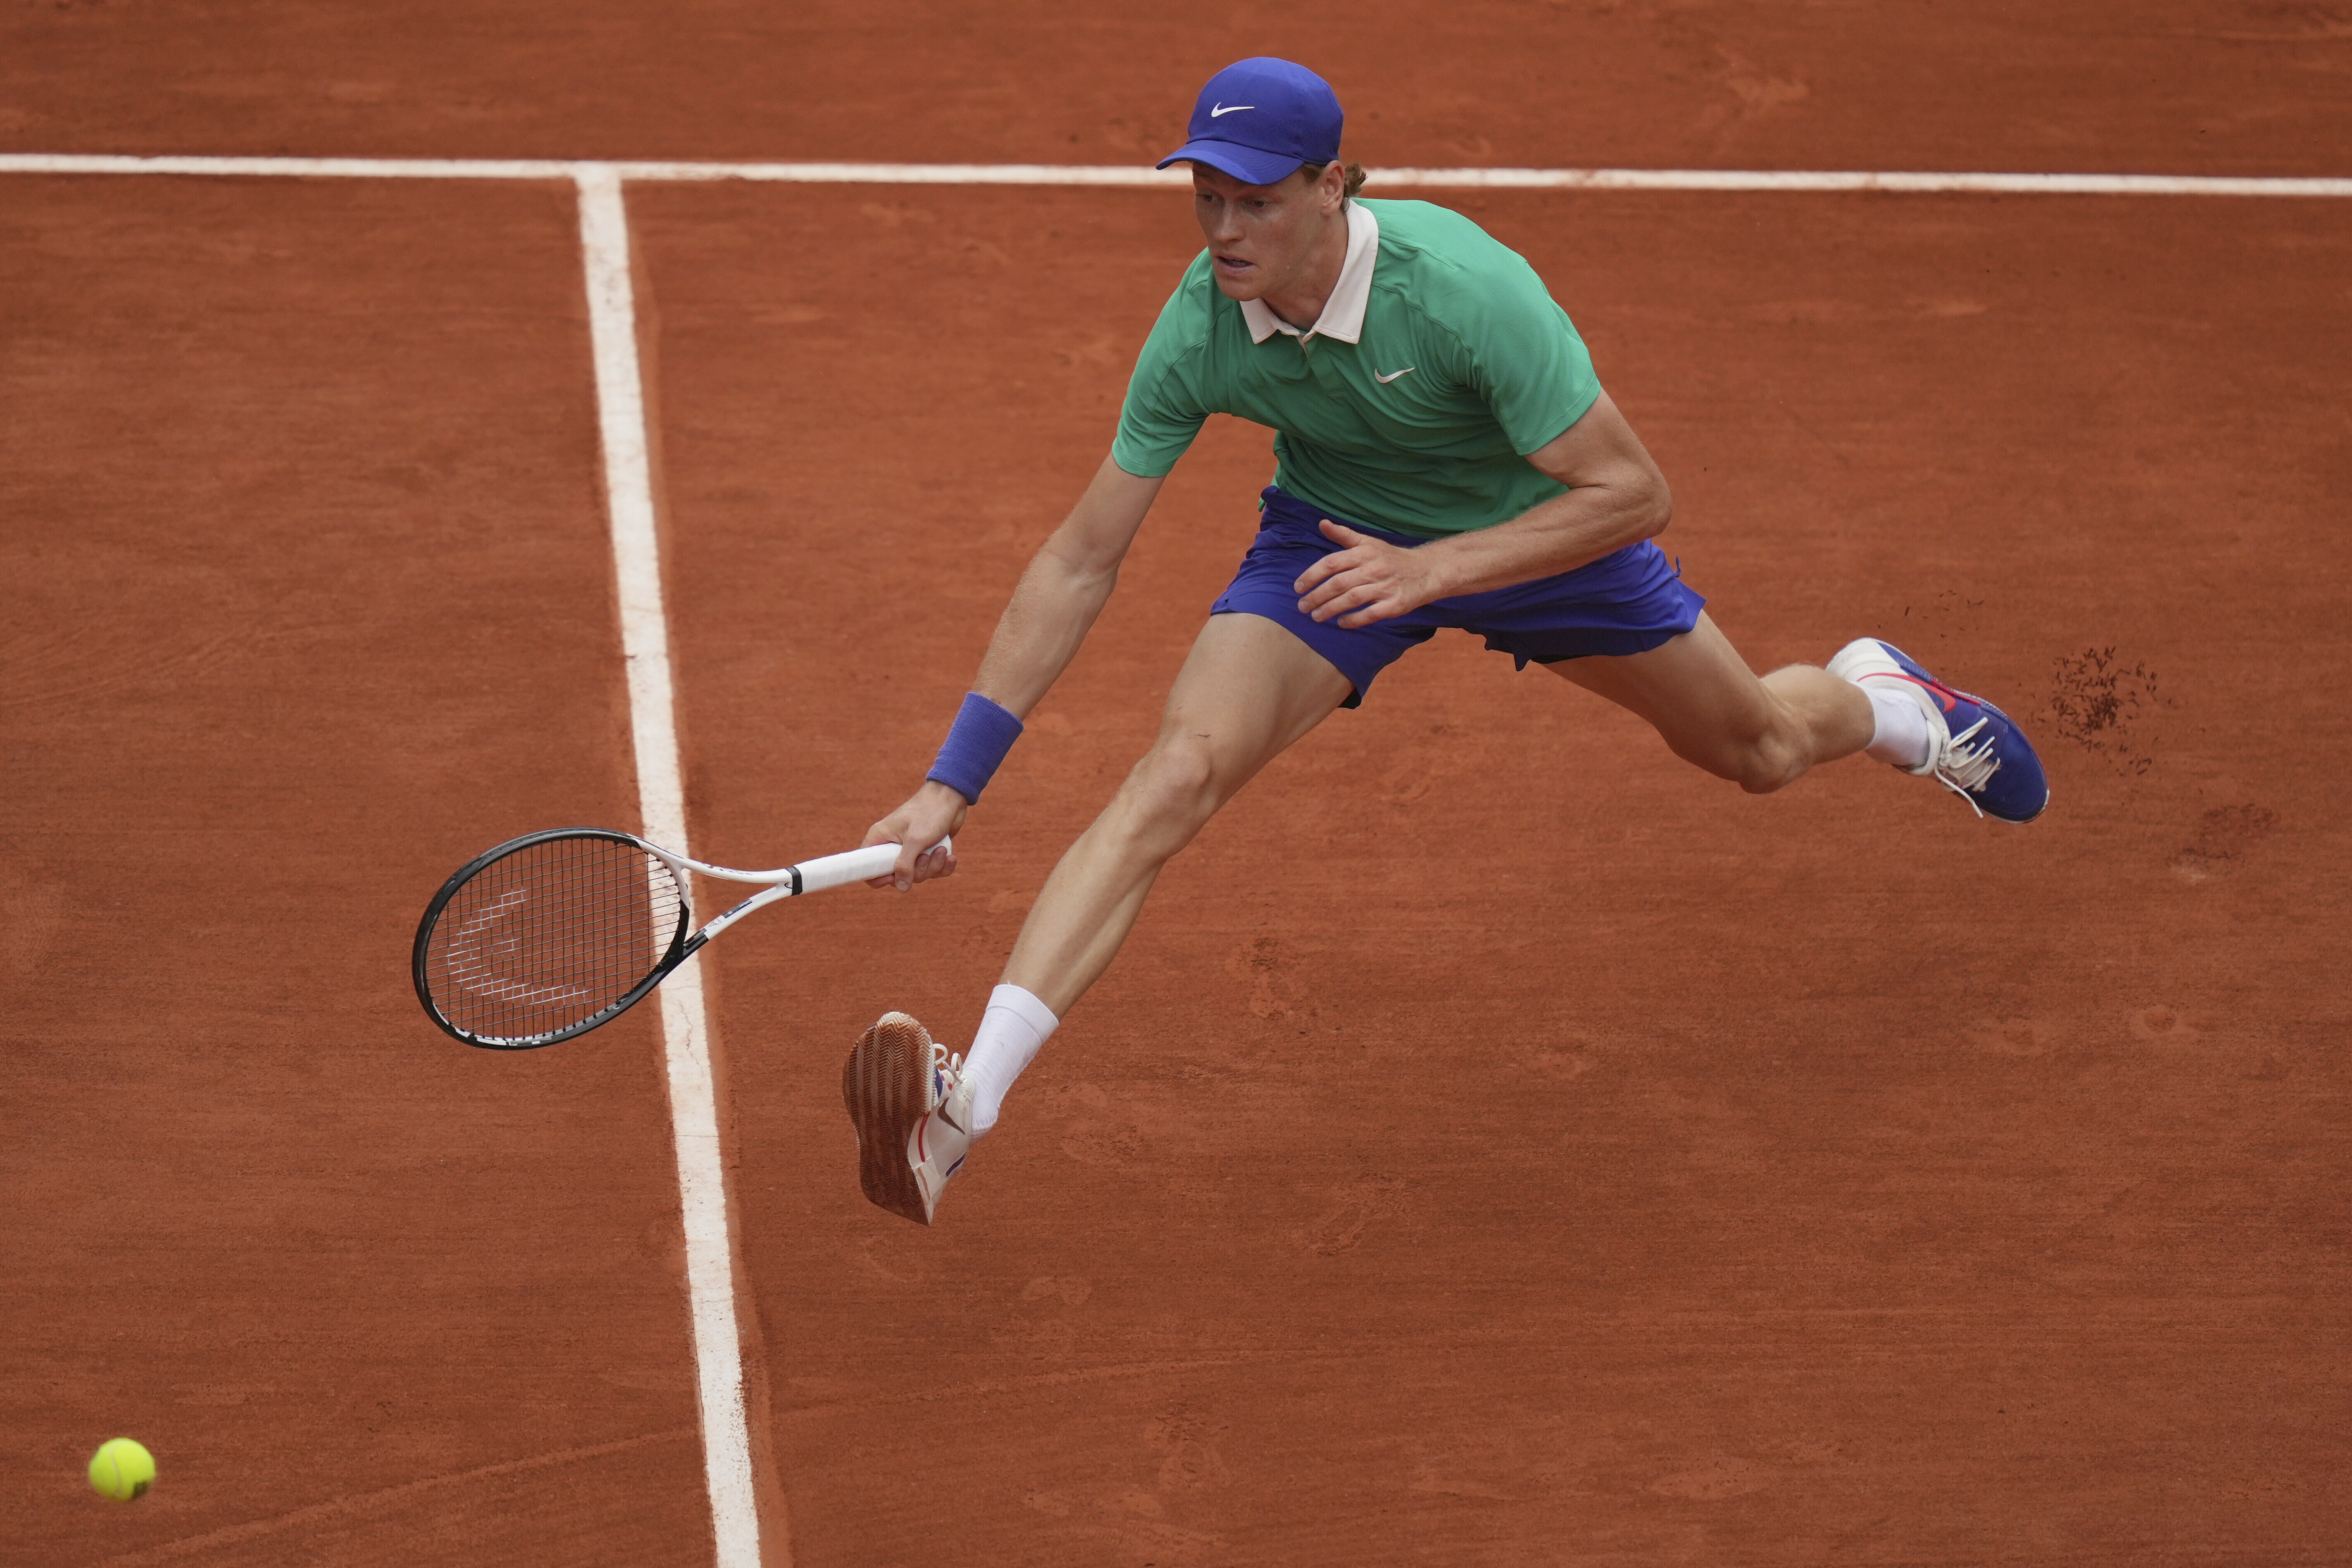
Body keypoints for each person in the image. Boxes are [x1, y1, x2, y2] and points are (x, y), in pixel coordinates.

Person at [839, 57, 2048, 1226]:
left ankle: (1889, 703)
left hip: (1540, 538)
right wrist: (954, 781)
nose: (1222, 228)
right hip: (1333, 544)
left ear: (1334, 187)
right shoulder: (1200, 327)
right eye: (1207, 196)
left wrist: (1438, 568)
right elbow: (1078, 558)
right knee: (1177, 775)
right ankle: (961, 1112)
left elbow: (1632, 491)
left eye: (1255, 198)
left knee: (1762, 750)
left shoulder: (1464, 287)